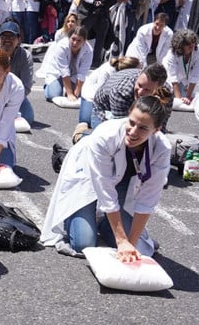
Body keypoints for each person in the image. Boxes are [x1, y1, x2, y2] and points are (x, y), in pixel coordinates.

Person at [42, 96, 171, 260]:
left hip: (124, 179)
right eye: (131, 122)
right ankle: (75, 217)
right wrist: (121, 239)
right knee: (84, 244)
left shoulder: (162, 149)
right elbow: (105, 190)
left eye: (143, 128)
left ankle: (104, 223)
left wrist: (129, 244)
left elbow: (148, 200)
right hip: (87, 174)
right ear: (128, 115)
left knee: (137, 246)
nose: (133, 132)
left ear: (156, 130)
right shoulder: (105, 135)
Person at [90, 63, 168, 130]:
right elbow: (122, 128)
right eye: (139, 85)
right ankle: (81, 133)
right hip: (105, 108)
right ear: (139, 75)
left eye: (147, 90)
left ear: (158, 88)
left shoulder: (166, 91)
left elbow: (162, 122)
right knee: (106, 138)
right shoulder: (121, 92)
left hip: (127, 100)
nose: (140, 92)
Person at [40, 26, 92, 103]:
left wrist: (77, 92)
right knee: (54, 95)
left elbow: (82, 73)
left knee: (82, 95)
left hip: (74, 74)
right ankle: (48, 87)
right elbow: (64, 71)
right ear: (69, 38)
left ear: (84, 41)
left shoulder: (88, 51)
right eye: (73, 39)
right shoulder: (62, 46)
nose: (75, 43)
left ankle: (68, 88)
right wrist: (70, 94)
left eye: (79, 41)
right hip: (57, 72)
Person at [162, 29, 199, 108]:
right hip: (170, 76)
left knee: (189, 101)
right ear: (180, 45)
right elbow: (173, 77)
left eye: (193, 42)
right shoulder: (172, 53)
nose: (191, 45)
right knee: (171, 99)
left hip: (187, 78)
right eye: (187, 44)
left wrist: (188, 96)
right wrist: (179, 99)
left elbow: (196, 75)